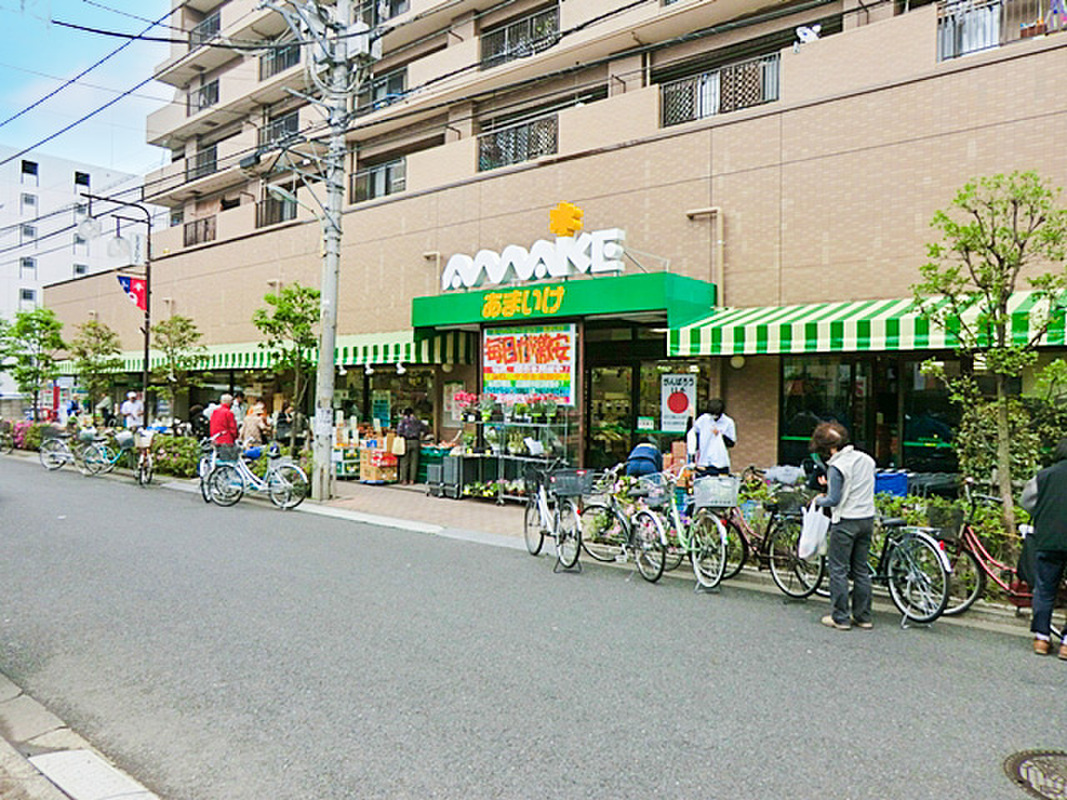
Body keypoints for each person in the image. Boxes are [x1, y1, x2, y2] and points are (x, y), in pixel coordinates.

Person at [811, 421, 876, 631]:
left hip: (846, 521)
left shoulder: (837, 466)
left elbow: (833, 500)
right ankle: (863, 617)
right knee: (861, 570)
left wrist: (818, 500)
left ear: (830, 448)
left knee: (838, 570)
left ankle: (840, 618)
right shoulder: (866, 459)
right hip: (867, 518)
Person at [1020, 437, 1067, 658]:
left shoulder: (1043, 476)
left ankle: (1041, 638)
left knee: (1045, 588)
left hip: (1048, 539)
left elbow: (1026, 502)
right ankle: (1066, 644)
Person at [687, 398, 736, 476]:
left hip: (721, 462)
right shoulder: (703, 419)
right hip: (704, 461)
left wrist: (720, 435)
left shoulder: (728, 422)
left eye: (715, 415)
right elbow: (692, 433)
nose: (713, 417)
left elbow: (731, 443)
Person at [396, 407, 428, 485]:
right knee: (414, 461)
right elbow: (425, 429)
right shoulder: (417, 421)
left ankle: (404, 480)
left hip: (406, 441)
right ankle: (412, 480)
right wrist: (422, 436)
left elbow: (399, 432)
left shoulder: (402, 422)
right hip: (416, 441)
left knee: (404, 461)